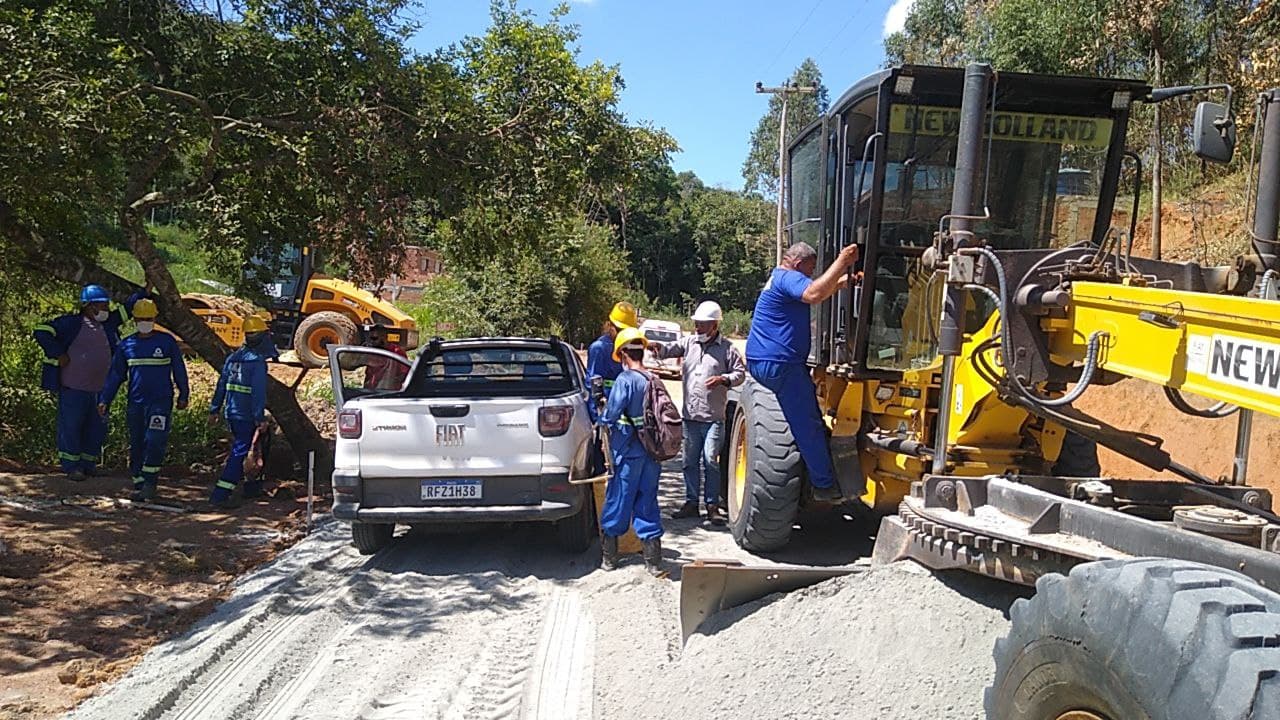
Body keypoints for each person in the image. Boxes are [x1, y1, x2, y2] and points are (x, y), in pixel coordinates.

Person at [745, 241, 859, 502]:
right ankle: (824, 485)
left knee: (807, 418)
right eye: (809, 271)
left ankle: (818, 473)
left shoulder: (778, 278)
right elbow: (813, 295)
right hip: (781, 363)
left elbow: (816, 290)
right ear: (798, 264)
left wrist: (842, 282)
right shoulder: (788, 277)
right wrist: (843, 260)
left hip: (765, 360)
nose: (809, 276)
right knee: (809, 426)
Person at [650, 300, 745, 525]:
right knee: (689, 461)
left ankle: (712, 505)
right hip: (690, 417)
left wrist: (723, 379)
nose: (698, 328)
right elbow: (668, 350)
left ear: (714, 325)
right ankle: (691, 502)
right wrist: (656, 348)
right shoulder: (690, 343)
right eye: (696, 323)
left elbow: (740, 374)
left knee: (710, 460)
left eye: (702, 324)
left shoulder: (727, 349)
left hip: (714, 419)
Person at [32, 284, 134, 480]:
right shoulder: (70, 324)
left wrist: (144, 292)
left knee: (96, 429)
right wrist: (58, 353)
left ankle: (88, 464)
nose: (106, 309)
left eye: (106, 305)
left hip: (100, 391)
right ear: (89, 306)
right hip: (73, 388)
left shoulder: (108, 324)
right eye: (102, 305)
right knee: (71, 427)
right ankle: (71, 466)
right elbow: (41, 330)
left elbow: (127, 309)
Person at [98, 299, 189, 501]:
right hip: (136, 403)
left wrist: (184, 394)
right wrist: (105, 399)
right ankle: (138, 479)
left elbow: (179, 370)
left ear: (154, 318)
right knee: (137, 441)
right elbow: (115, 375)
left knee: (155, 440)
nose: (144, 322)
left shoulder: (166, 342)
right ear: (135, 320)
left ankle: (150, 481)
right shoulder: (127, 345)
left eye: (148, 319)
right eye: (140, 319)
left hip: (160, 402)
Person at [598, 327, 664, 576]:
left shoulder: (625, 381)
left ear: (624, 354)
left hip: (627, 452)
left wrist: (602, 413)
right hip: (651, 453)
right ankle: (653, 562)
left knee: (618, 500)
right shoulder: (653, 379)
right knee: (647, 501)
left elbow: (612, 415)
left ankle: (609, 559)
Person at [208, 314, 277, 508]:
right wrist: (259, 418)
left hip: (232, 412)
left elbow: (221, 385)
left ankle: (246, 487)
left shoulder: (233, 358)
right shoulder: (256, 362)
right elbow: (257, 394)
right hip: (246, 414)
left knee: (242, 449)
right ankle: (221, 494)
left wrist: (214, 409)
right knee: (240, 452)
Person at [585, 301, 638, 419]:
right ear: (611, 327)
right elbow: (593, 384)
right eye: (621, 331)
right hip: (607, 409)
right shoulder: (599, 348)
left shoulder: (630, 347)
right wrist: (597, 417)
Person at [361, 324, 409, 390]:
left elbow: (404, 374)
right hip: (370, 392)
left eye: (374, 339)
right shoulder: (372, 352)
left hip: (387, 393)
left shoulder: (396, 352)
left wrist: (392, 381)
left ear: (384, 337)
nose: (371, 342)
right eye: (370, 339)